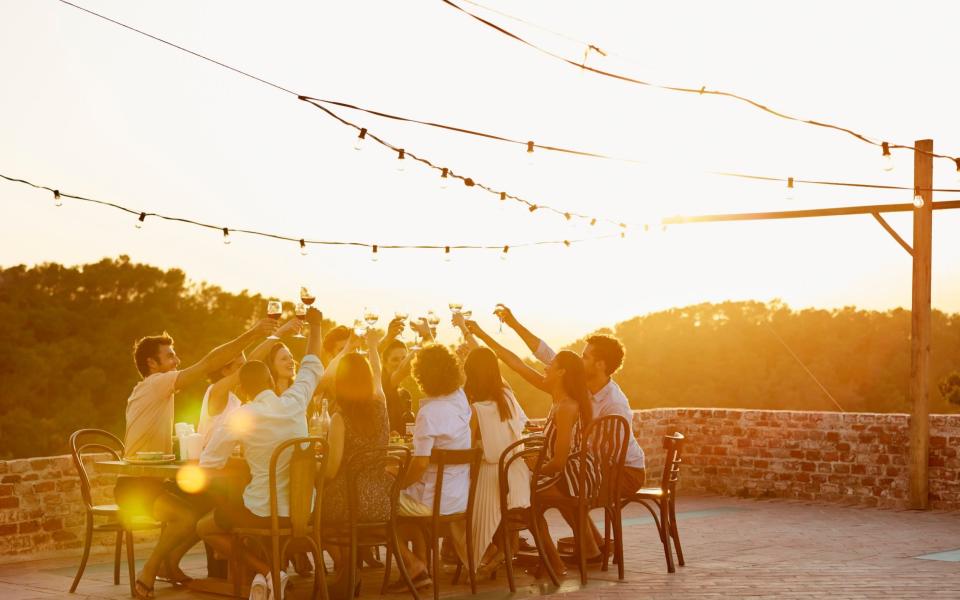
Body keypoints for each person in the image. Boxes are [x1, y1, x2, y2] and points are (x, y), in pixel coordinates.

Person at [120, 318, 277, 599]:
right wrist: (253, 332)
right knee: (186, 516)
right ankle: (150, 570)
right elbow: (207, 364)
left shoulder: (161, 390)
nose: (177, 360)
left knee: (209, 503)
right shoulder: (154, 384)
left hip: (158, 481)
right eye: (169, 356)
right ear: (152, 364)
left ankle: (172, 562)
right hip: (134, 484)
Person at [197, 306, 325, 600]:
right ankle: (267, 575)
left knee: (205, 527)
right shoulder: (295, 400)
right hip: (304, 510)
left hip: (261, 512)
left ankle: (267, 573)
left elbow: (210, 462)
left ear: (243, 388)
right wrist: (315, 327)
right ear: (270, 381)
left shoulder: (242, 416)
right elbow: (312, 363)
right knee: (239, 509)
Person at [496, 306, 646, 554]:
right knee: (564, 481)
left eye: (585, 356)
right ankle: (593, 547)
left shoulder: (615, 404)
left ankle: (586, 548)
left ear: (600, 364)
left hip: (623, 471)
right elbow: (544, 352)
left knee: (563, 486)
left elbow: (608, 453)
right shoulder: (578, 382)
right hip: (594, 464)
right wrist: (513, 323)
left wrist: (558, 457)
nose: (579, 359)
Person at [465, 320, 596, 578]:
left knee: (523, 499)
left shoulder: (568, 407)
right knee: (514, 491)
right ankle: (515, 552)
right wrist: (479, 334)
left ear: (561, 373)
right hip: (565, 472)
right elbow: (515, 362)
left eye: (551, 365)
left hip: (573, 475)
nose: (546, 367)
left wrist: (532, 470)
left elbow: (559, 462)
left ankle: (543, 561)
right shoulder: (556, 394)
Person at [387, 341, 472, 592]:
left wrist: (397, 484)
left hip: (434, 501)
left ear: (421, 375)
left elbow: (420, 463)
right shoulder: (459, 400)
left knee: (382, 504)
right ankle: (421, 565)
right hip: (459, 497)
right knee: (406, 505)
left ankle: (414, 564)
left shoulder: (429, 413)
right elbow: (461, 380)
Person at [320, 329, 395, 596]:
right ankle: (347, 572)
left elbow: (332, 468)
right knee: (331, 500)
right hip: (382, 501)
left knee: (317, 509)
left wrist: (317, 477)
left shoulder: (340, 418)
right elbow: (377, 376)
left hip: (352, 502)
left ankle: (345, 570)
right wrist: (373, 348)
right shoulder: (381, 406)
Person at [460, 340, 531, 576]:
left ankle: (486, 552)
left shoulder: (476, 410)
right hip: (517, 477)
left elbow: (466, 451)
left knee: (451, 506)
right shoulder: (508, 398)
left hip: (493, 480)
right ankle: (497, 550)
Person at [199, 319, 303, 449]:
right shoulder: (216, 391)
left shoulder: (236, 396)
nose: (246, 372)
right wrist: (279, 333)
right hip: (211, 464)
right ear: (225, 371)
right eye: (239, 366)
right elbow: (252, 362)